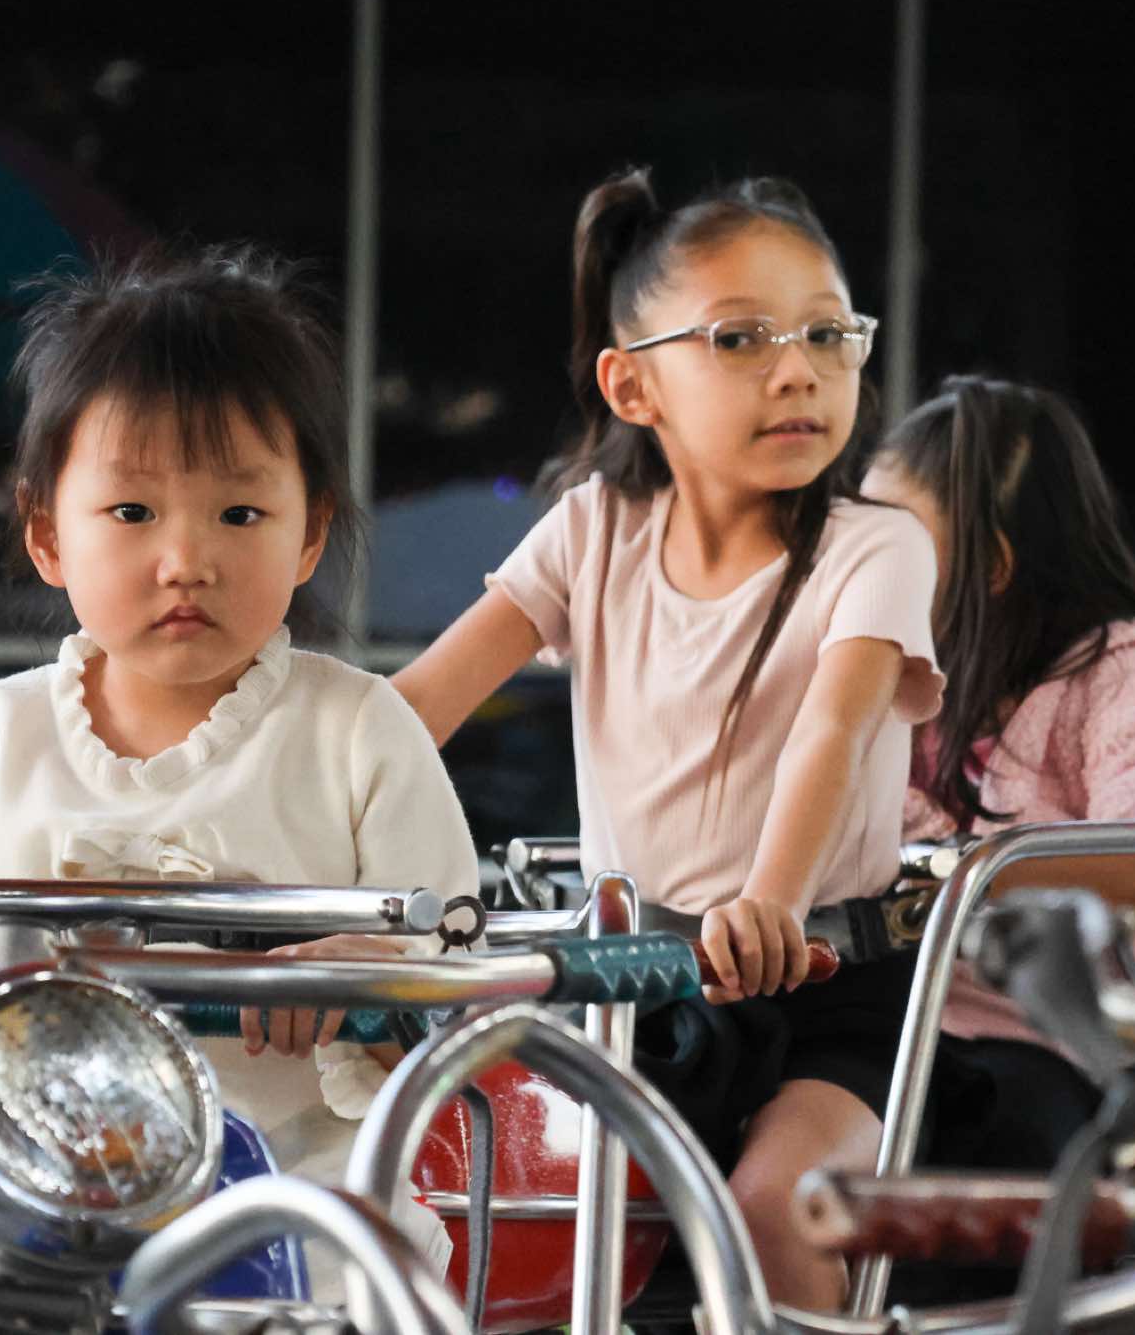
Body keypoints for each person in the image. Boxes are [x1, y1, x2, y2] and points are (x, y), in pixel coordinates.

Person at [0, 246, 476, 1277]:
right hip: (32, 1210)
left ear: (309, 533)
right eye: (133, 512)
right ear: (47, 535)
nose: (187, 560)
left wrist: (363, 977)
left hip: (304, 1213)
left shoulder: (362, 731)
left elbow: (456, 989)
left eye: (240, 513)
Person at [393, 167, 943, 1309]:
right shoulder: (591, 531)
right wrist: (261, 796)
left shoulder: (875, 543)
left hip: (829, 983)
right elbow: (412, 713)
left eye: (827, 333)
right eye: (739, 339)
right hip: (631, 991)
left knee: (774, 1210)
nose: (797, 369)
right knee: (500, 1216)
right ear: (631, 384)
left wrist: (769, 903)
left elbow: (833, 726)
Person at [862, 374, 1135, 1305]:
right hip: (880, 1033)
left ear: (991, 567)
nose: (858, 567)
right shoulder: (878, 680)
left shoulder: (1122, 673)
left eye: (888, 542)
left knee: (982, 1149)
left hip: (1043, 1047)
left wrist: (966, 874)